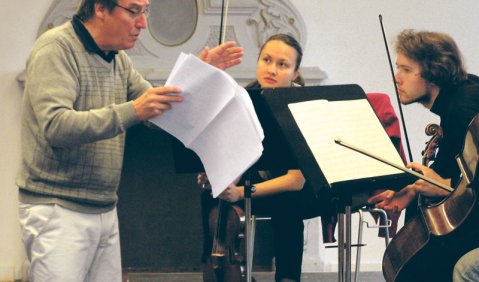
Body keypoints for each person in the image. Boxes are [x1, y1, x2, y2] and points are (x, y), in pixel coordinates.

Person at [16, 0, 244, 281]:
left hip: (104, 207)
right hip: (57, 208)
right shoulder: (56, 49)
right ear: (100, 8)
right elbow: (56, 126)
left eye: (144, 11)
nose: (143, 23)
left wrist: (200, 76)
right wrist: (132, 110)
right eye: (133, 11)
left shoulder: (118, 58)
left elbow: (157, 110)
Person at [199, 33, 331, 282]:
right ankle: (218, 262)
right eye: (266, 60)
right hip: (256, 186)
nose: (271, 69)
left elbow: (295, 181)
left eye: (282, 65)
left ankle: (287, 278)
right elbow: (238, 153)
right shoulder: (245, 98)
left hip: (303, 191)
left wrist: (241, 193)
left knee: (287, 205)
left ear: (295, 72)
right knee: (211, 194)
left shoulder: (301, 105)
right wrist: (222, 180)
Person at [367, 29, 479, 281]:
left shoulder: (465, 109)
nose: (397, 77)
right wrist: (411, 190)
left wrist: (445, 186)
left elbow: (463, 180)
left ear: (432, 73)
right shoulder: (460, 97)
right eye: (398, 68)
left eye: (406, 70)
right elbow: (452, 164)